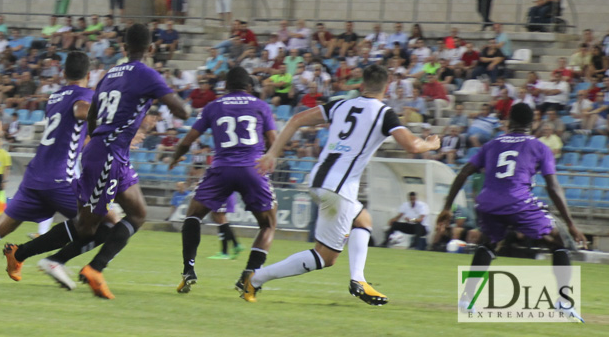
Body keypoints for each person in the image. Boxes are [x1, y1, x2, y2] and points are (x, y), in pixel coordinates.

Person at [241, 65, 440, 305]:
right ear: (386, 87)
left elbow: (296, 119)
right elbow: (412, 146)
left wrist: (272, 153)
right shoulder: (383, 113)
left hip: (319, 180)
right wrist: (431, 144)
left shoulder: (340, 105)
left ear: (362, 84)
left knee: (364, 220)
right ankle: (256, 279)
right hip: (339, 188)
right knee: (325, 257)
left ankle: (358, 279)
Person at [25, 23, 190, 299]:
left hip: (111, 153)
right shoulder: (147, 75)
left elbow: (92, 116)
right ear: (150, 48)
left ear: (124, 47)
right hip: (108, 155)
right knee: (88, 227)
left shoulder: (109, 74)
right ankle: (47, 259)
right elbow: (182, 112)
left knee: (138, 213)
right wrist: (166, 102)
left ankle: (92, 267)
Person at [0, 51, 117, 284]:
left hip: (34, 176)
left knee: (0, 227)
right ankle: (55, 261)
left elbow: (70, 129)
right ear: (89, 75)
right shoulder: (86, 96)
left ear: (63, 73)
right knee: (108, 221)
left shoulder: (55, 97)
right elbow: (81, 110)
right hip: (60, 178)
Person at [437, 103, 586, 320]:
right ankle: (563, 302)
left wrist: (447, 208)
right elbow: (553, 187)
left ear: (509, 121)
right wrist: (571, 224)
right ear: (532, 124)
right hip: (518, 202)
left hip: (487, 203)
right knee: (558, 240)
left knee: (487, 244)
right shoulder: (539, 146)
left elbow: (463, 173)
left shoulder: (491, 144)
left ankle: (467, 298)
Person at [168, 67, 278, 294]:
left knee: (193, 215)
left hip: (222, 169)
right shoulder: (261, 105)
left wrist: (176, 156)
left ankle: (188, 269)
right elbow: (273, 141)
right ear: (249, 87)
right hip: (253, 168)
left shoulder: (213, 106)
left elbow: (189, 139)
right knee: (267, 225)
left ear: (225, 86)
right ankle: (249, 276)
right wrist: (267, 157)